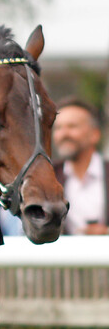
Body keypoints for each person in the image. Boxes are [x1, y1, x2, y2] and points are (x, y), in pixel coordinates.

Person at [52, 98, 108, 235]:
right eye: (58, 128)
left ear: (94, 135)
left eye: (72, 126)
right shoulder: (49, 176)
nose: (63, 134)